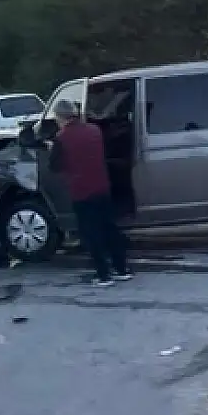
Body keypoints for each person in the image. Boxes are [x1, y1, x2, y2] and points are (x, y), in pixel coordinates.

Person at [49, 98, 131, 287]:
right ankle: (122, 269)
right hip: (102, 186)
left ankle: (103, 275)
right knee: (110, 228)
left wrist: (52, 148)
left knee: (91, 233)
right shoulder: (95, 130)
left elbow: (55, 166)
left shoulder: (62, 138)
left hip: (82, 191)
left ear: (60, 117)